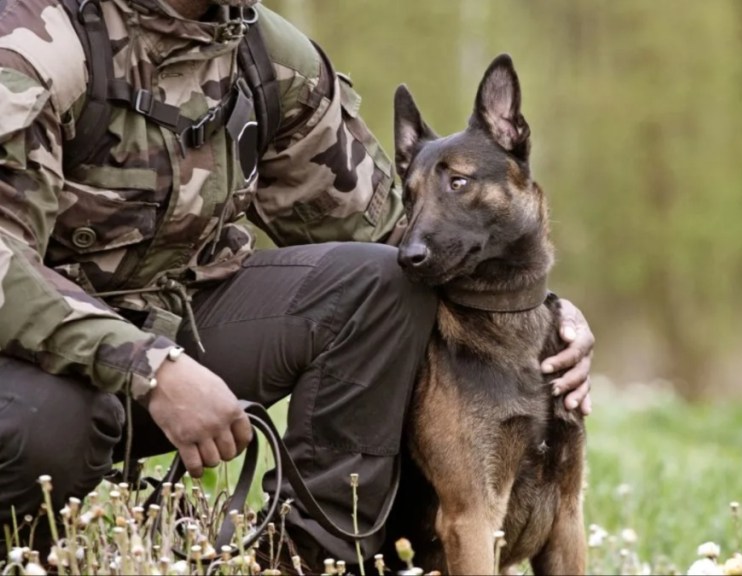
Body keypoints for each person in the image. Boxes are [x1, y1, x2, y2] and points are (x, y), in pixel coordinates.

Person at [0, 0, 594, 565]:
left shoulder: (265, 55)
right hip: (34, 358)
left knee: (378, 284)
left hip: (182, 323)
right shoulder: (36, 41)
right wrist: (150, 366)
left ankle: (313, 561)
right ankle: (31, 553)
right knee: (47, 425)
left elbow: (404, 239)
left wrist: (540, 313)